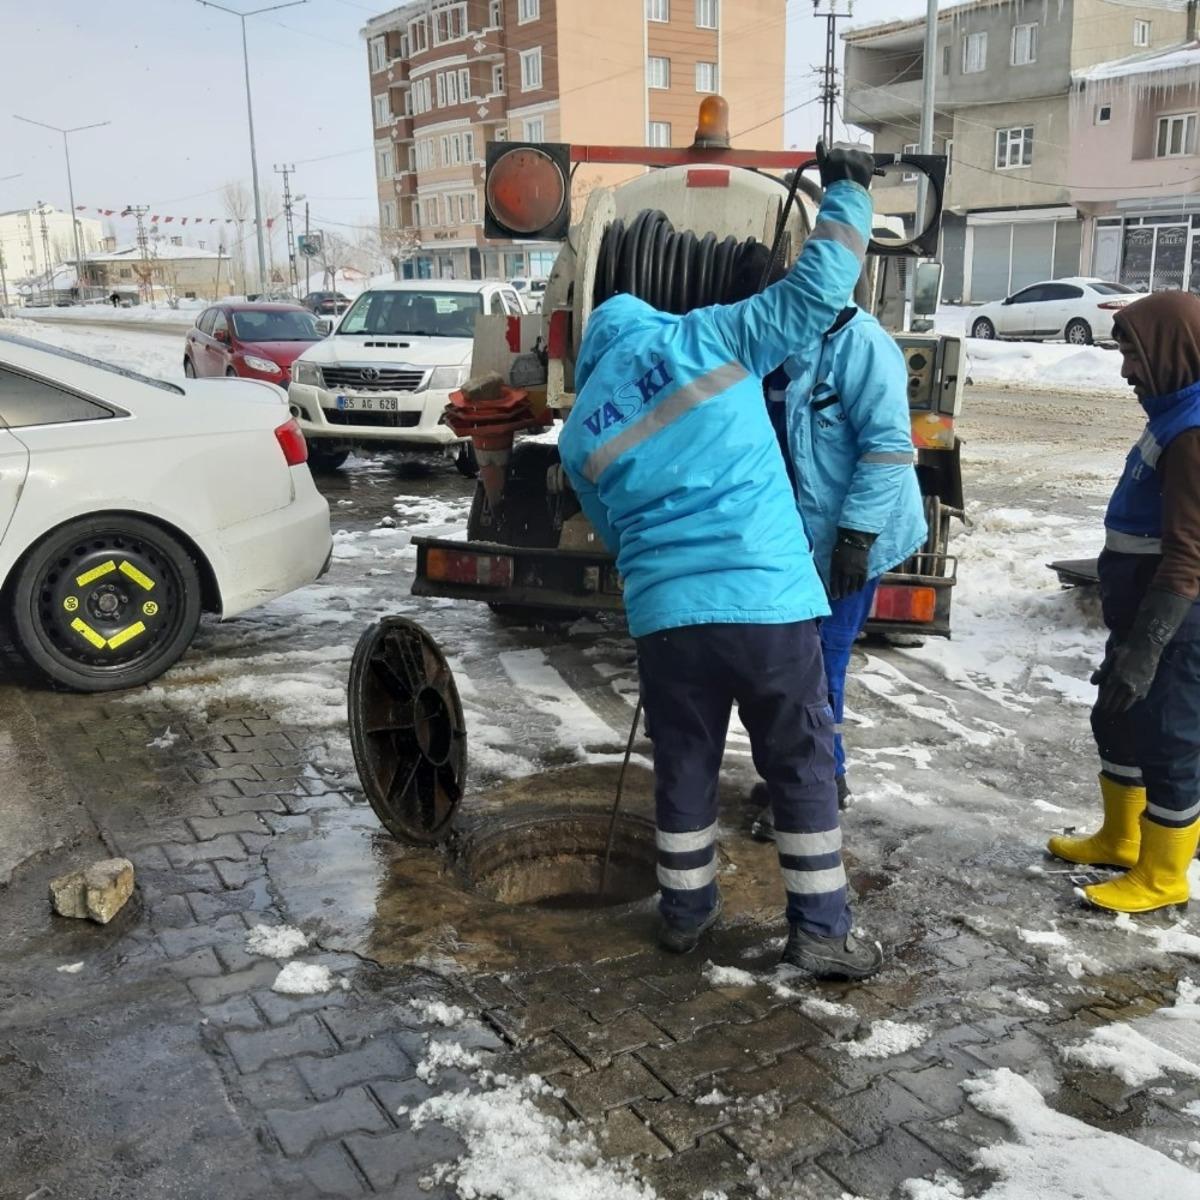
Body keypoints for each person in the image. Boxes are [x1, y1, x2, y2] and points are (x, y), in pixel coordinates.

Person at [558, 143, 883, 980]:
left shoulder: (579, 430)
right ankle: (821, 931)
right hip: (769, 605)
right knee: (799, 763)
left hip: (670, 619)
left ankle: (685, 913)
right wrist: (847, 192)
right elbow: (820, 289)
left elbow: (611, 528)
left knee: (686, 764)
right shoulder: (715, 337)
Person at [743, 276, 926, 836]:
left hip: (850, 536)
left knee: (819, 662)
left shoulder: (861, 344)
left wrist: (856, 538)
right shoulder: (773, 339)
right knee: (787, 661)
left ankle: (818, 784)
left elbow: (890, 447)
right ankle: (803, 772)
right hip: (794, 536)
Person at [1047, 291, 1200, 913]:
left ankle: (1164, 874)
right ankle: (1121, 837)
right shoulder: (1171, 410)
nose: (1126, 368)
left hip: (1175, 617)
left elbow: (1189, 555)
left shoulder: (1193, 431)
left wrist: (1147, 646)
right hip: (1138, 611)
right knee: (1117, 717)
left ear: (1171, 349)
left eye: (1133, 352)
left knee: (1168, 735)